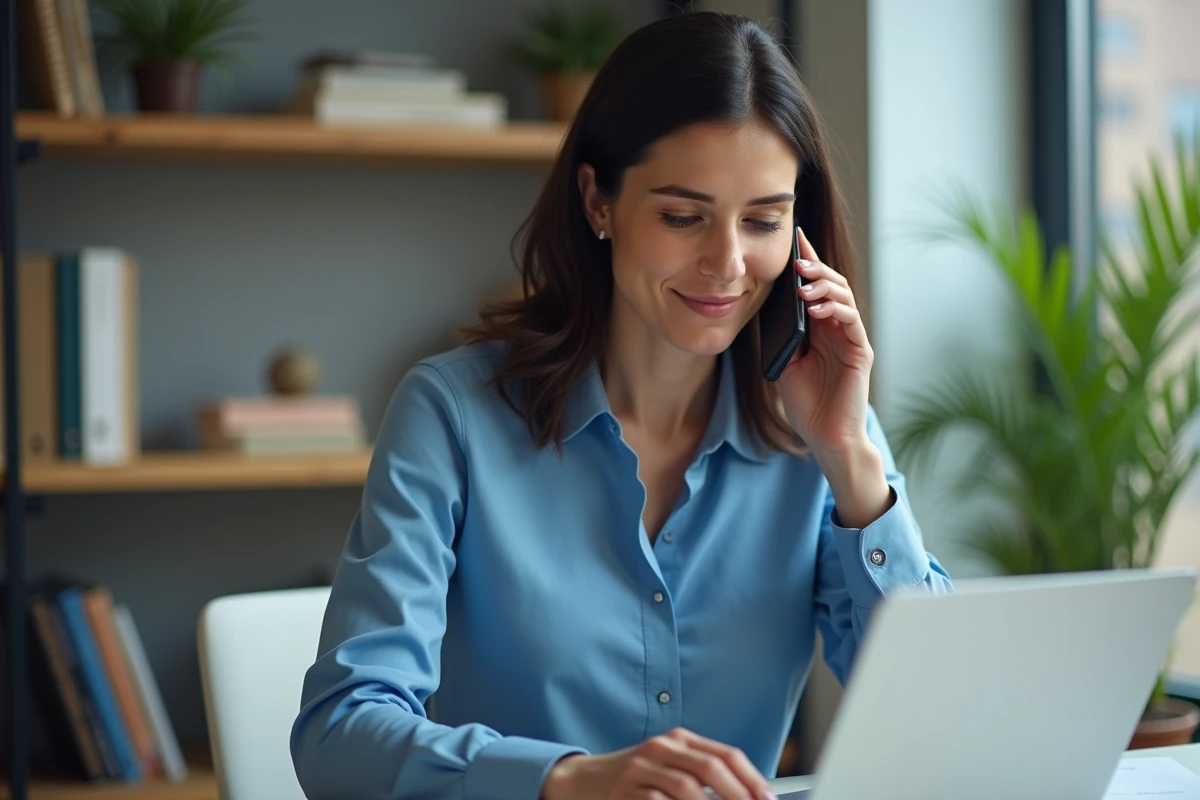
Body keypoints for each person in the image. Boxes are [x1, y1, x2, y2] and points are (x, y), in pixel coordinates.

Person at [290, 10, 951, 800]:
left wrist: (850, 458)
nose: (729, 265)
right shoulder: (452, 415)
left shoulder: (818, 432)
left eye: (765, 221)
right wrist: (565, 781)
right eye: (683, 217)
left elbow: (938, 719)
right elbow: (340, 732)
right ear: (598, 202)